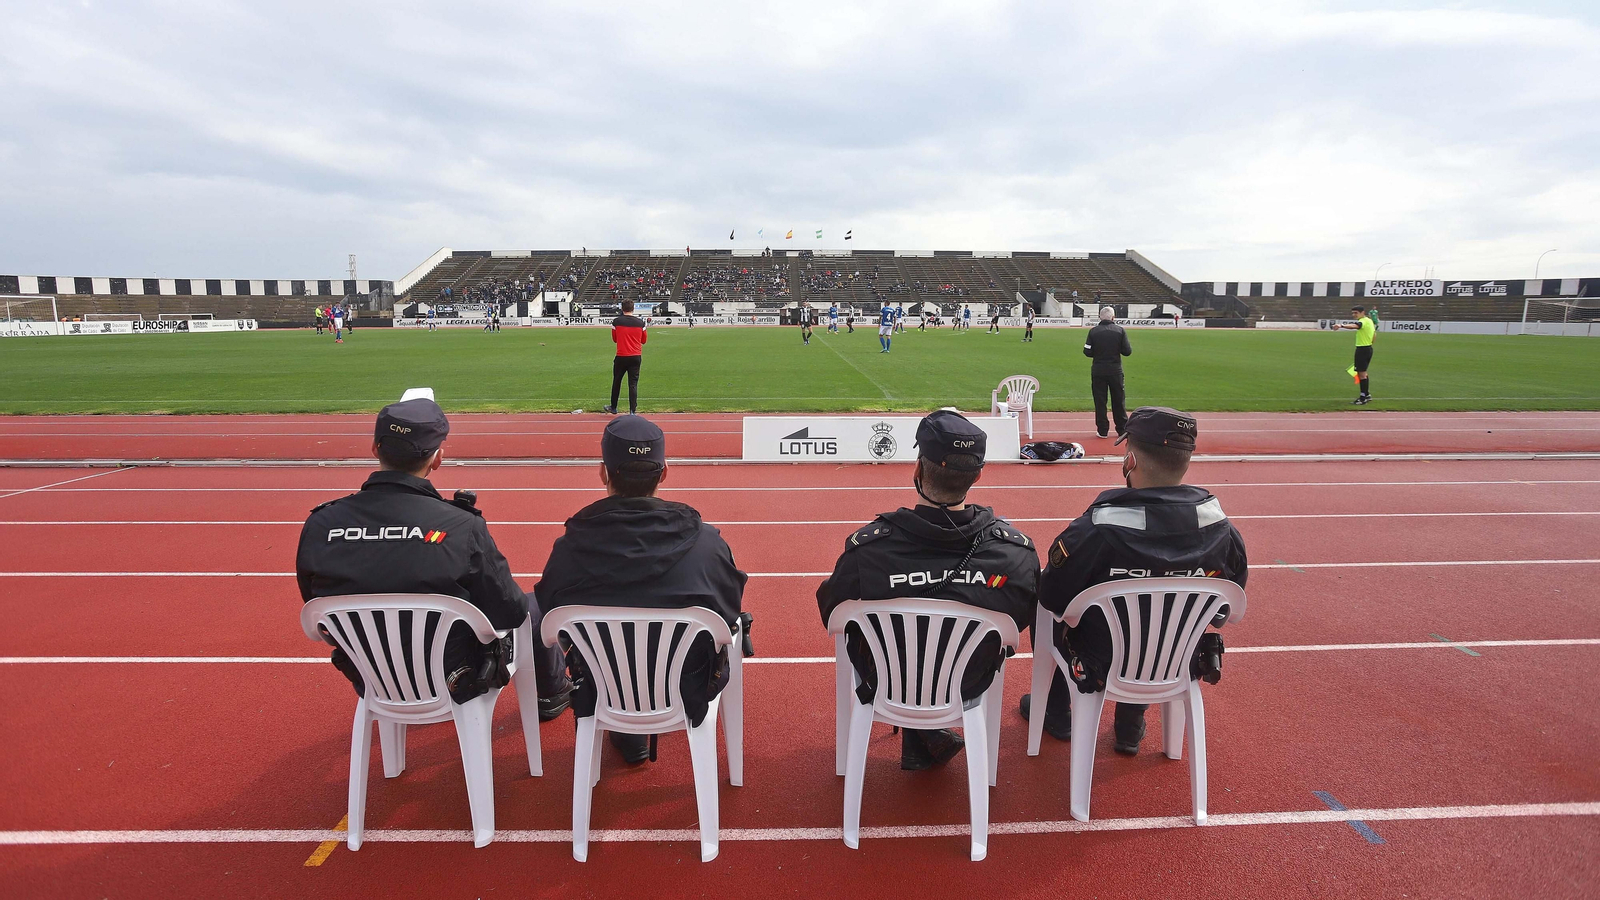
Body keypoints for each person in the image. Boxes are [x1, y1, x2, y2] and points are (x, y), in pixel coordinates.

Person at [296, 397, 573, 719]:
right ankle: (552, 693)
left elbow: (316, 606)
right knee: (534, 607)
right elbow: (510, 612)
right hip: (457, 678)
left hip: (373, 678)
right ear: (438, 458)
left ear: (374, 448)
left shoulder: (320, 524)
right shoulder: (461, 526)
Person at [817, 410, 1039, 770]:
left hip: (885, 680)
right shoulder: (1015, 553)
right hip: (968, 682)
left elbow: (832, 611)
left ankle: (919, 732)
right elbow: (1022, 620)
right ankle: (926, 734)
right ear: (978, 475)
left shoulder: (868, 550)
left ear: (917, 469)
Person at [1019, 407, 1248, 755]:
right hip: (1175, 660)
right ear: (1186, 463)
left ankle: (1056, 712)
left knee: (1047, 608)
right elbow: (1222, 611)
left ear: (1130, 460)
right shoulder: (1224, 531)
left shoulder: (1096, 529)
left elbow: (1052, 596)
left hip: (1099, 663)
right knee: (1161, 620)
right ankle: (1130, 722)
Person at [535, 415, 748, 765]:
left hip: (602, 686)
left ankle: (623, 728)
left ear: (603, 473)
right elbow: (729, 611)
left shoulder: (569, 548)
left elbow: (551, 616)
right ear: (663, 473)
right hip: (686, 686)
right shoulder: (708, 544)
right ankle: (631, 729)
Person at [1084, 307, 1132, 438]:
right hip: (1115, 370)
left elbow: (1087, 351)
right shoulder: (1120, 331)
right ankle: (1122, 429)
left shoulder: (1093, 331)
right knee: (1118, 400)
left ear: (1100, 317)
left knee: (1100, 401)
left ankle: (1103, 430)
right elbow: (1127, 351)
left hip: (1098, 370)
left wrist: (1098, 352)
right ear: (1113, 317)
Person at [604, 300, 647, 415]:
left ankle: (613, 407)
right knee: (633, 384)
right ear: (633, 309)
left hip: (621, 356)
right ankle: (632, 411)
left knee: (617, 381)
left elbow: (615, 339)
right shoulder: (641, 323)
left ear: (622, 309)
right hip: (635, 356)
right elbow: (644, 340)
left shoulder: (616, 322)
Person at [1337, 305, 1376, 404]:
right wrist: (1370, 343)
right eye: (1353, 313)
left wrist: (1341, 326)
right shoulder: (1369, 321)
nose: (1354, 315)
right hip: (1368, 348)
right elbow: (1374, 335)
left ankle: (1363, 398)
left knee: (1361, 374)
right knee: (1363, 373)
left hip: (1362, 349)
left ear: (1362, 312)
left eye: (1356, 313)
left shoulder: (1363, 321)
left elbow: (1356, 326)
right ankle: (1367, 394)